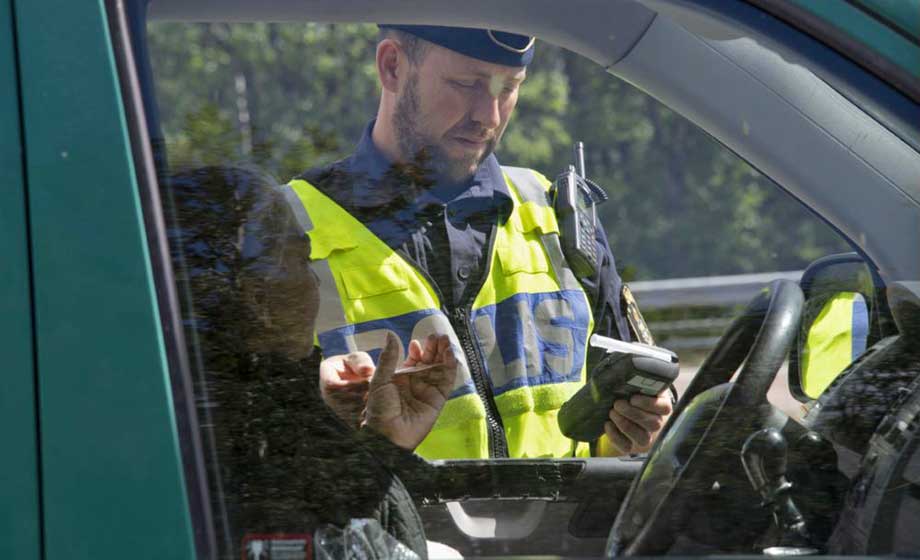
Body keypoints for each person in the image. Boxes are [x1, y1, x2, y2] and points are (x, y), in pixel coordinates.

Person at [284, 25, 672, 459]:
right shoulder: (285, 233)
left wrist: (629, 434)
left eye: (509, 88)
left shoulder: (556, 215)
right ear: (392, 66)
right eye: (466, 84)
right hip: (390, 527)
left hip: (566, 525)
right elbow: (253, 459)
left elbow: (630, 406)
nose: (488, 115)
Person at [168, 165, 456, 558]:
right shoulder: (259, 452)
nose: (316, 282)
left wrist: (376, 441)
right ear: (257, 300)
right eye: (302, 261)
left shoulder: (196, 416)